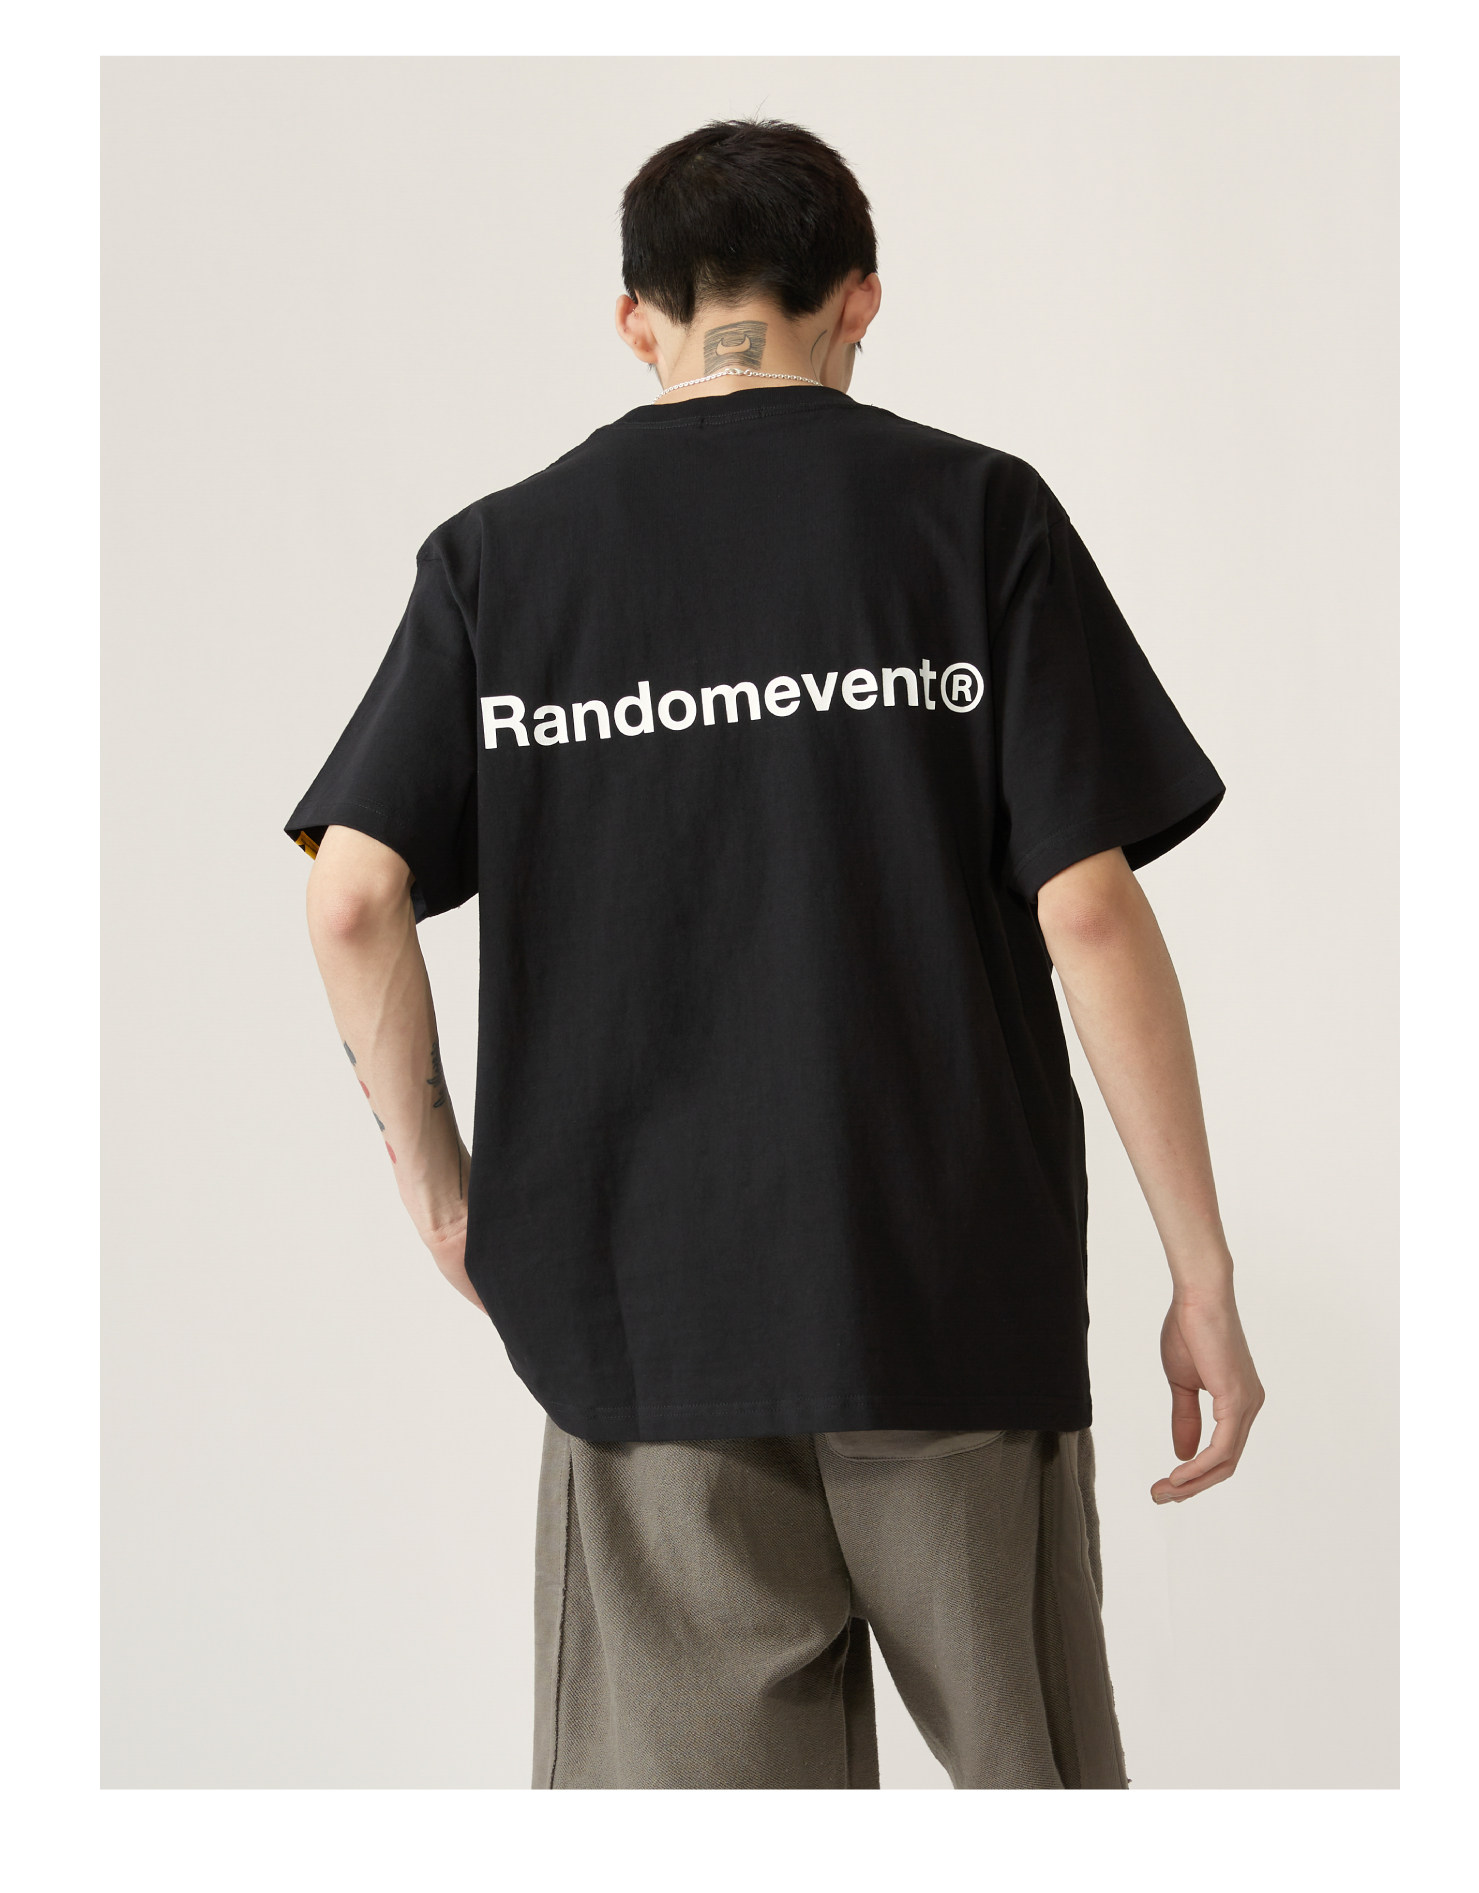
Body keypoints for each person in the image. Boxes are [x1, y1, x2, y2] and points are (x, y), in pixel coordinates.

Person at [285, 117, 1264, 1791]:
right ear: (860, 299)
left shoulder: (501, 561)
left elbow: (352, 895)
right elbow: (1089, 906)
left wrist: (444, 1189)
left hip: (641, 1324)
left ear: (635, 318)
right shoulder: (975, 516)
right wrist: (1204, 1274)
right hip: (949, 1298)